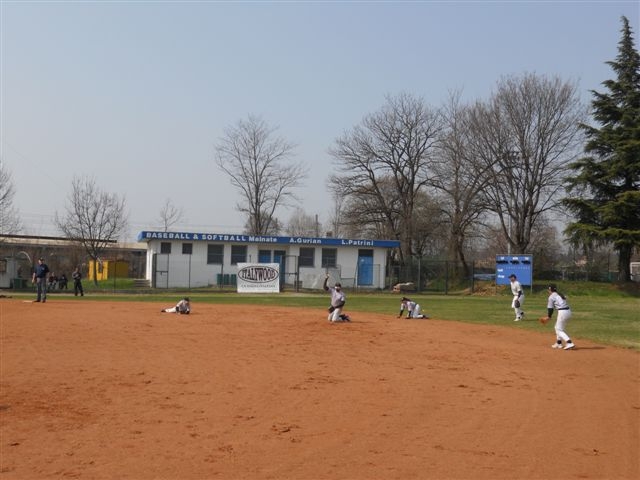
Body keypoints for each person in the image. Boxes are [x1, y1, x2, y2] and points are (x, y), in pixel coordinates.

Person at [543, 284, 575, 350]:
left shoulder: (551, 297)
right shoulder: (560, 294)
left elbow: (550, 308)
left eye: (548, 290)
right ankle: (559, 343)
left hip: (562, 312)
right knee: (558, 328)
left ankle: (569, 342)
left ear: (549, 290)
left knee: (558, 329)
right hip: (568, 311)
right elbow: (565, 298)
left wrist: (549, 317)